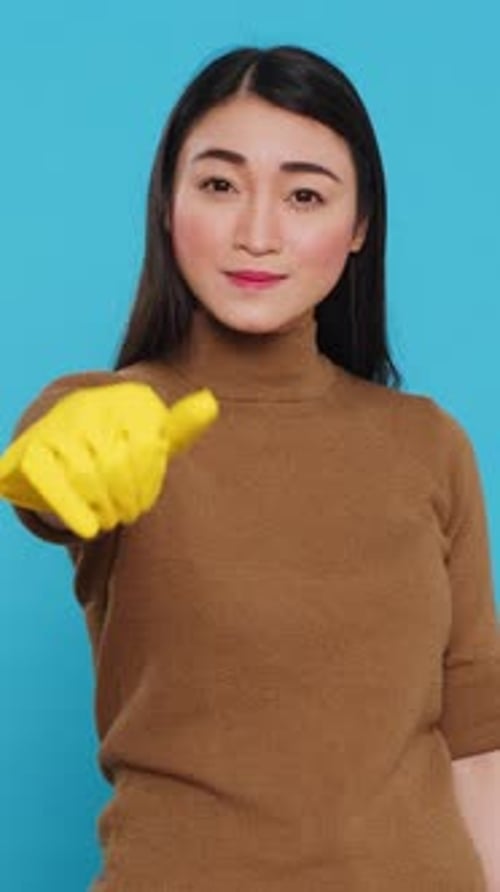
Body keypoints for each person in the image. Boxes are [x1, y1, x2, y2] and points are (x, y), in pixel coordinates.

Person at [1, 44, 499, 891]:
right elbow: (57, 466)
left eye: (304, 194)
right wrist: (52, 462)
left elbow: (477, 743)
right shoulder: (119, 419)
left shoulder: (429, 444)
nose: (257, 231)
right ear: (168, 202)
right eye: (220, 184)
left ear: (361, 225)